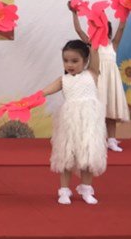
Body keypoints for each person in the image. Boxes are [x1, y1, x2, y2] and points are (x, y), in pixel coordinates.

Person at [40, 39, 107, 205]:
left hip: (89, 122)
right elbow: (44, 92)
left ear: (85, 60)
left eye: (75, 61)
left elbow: (95, 51)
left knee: (88, 155)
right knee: (67, 155)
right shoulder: (63, 80)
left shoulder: (92, 74)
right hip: (69, 122)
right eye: (66, 60)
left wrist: (94, 39)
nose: (69, 64)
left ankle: (86, 189)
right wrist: (30, 100)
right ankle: (64, 191)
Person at [70, 1, 128, 152]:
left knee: (111, 111)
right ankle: (93, 140)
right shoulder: (92, 44)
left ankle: (111, 140)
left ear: (107, 30)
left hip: (111, 82)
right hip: (96, 81)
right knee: (95, 110)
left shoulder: (113, 45)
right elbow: (79, 30)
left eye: (102, 28)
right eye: (96, 27)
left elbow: (121, 27)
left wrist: (125, 10)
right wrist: (74, 13)